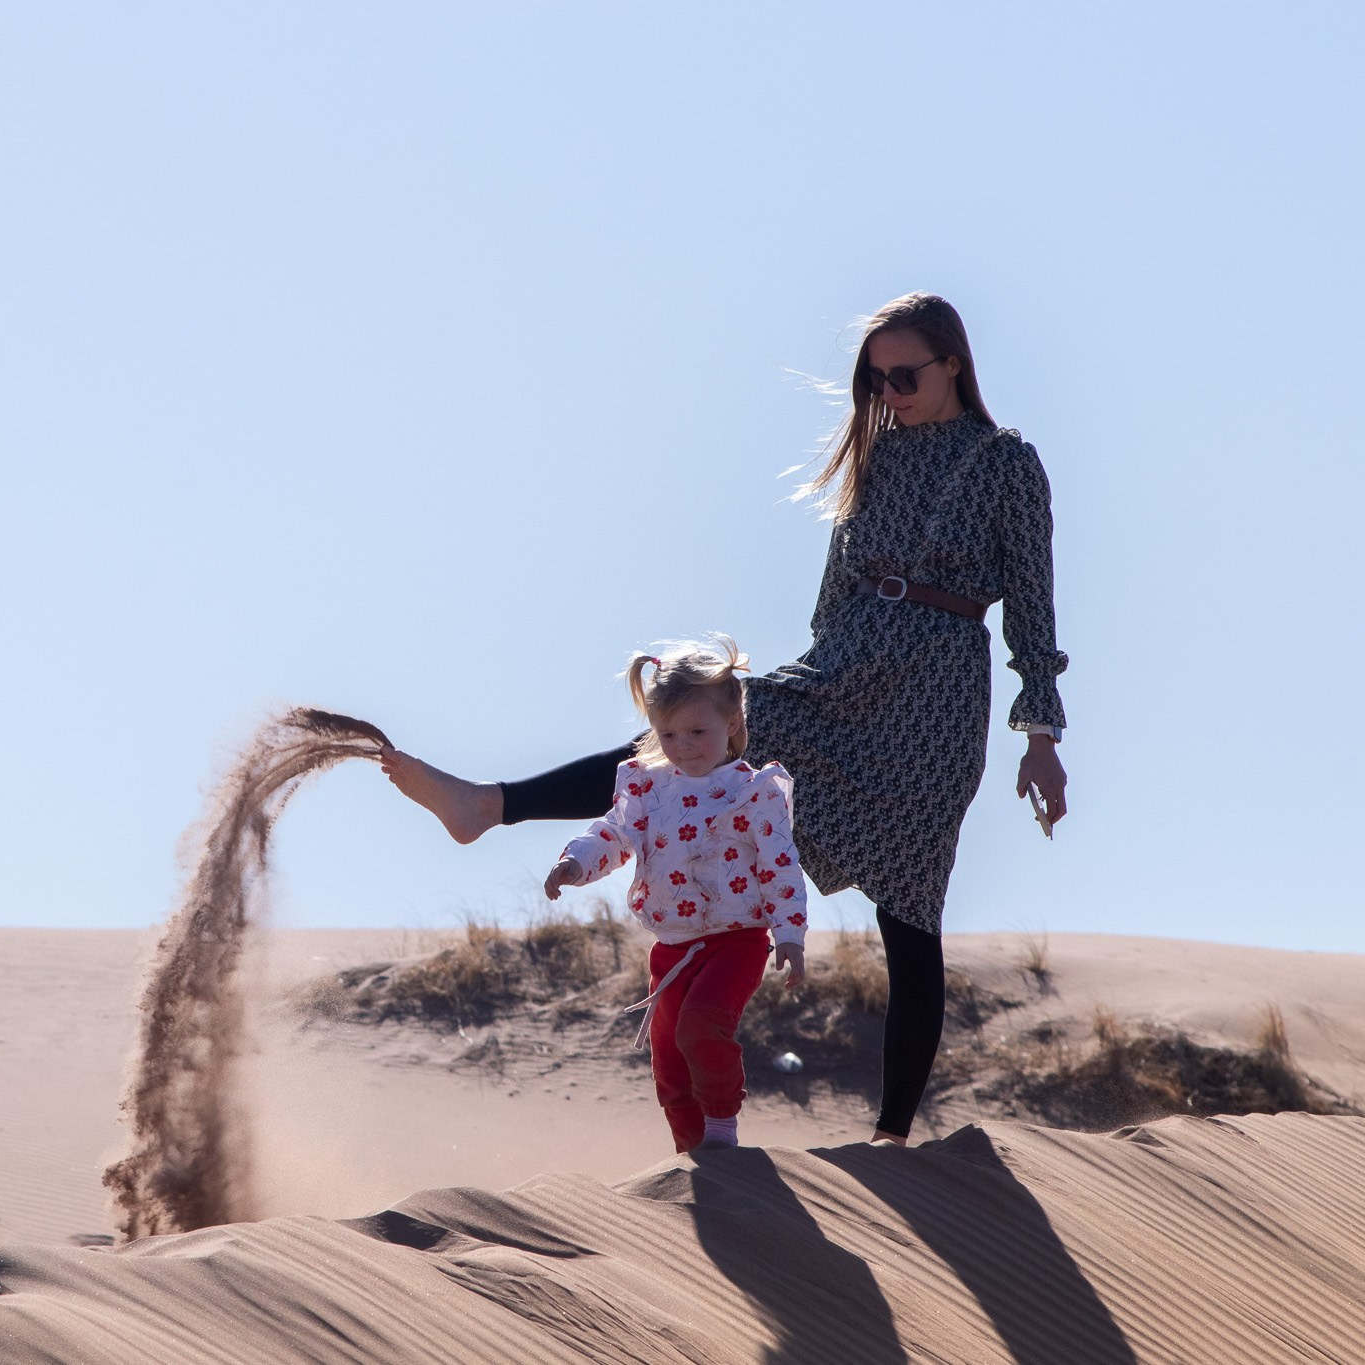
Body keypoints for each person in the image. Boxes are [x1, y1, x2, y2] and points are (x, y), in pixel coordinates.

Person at [381, 292, 1068, 1146]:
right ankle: (491, 804)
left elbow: (1033, 609)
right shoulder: (878, 457)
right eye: (873, 378)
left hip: (937, 694)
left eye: (904, 374)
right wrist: (825, 664)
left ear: (954, 364)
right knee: (699, 744)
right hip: (845, 666)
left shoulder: (1005, 461)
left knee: (912, 900)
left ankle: (893, 1139)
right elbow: (834, 590)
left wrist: (1040, 735)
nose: (888, 392)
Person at [542, 638, 807, 1153]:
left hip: (738, 941)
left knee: (702, 1027)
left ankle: (722, 1135)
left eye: (697, 732)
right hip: (671, 948)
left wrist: (789, 934)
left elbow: (780, 865)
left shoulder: (754, 792)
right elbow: (616, 835)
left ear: (731, 724)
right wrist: (575, 862)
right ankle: (690, 1158)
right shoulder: (647, 787)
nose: (683, 746)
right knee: (668, 1061)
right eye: (668, 734)